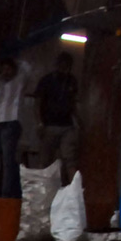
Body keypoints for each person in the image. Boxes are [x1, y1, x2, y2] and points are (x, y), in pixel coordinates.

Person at [0, 55, 33, 198]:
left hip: (12, 122)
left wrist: (15, 61)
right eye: (3, 70)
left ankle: (8, 193)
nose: (5, 72)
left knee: (8, 160)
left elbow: (27, 67)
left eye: (8, 69)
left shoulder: (20, 80)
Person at [33, 52, 80, 185]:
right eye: (62, 64)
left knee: (69, 159)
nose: (64, 67)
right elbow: (38, 103)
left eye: (67, 65)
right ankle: (42, 191)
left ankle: (74, 190)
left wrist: (78, 121)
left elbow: (73, 103)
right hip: (49, 125)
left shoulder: (71, 81)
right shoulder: (47, 80)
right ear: (57, 64)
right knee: (45, 160)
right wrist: (40, 123)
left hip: (67, 125)